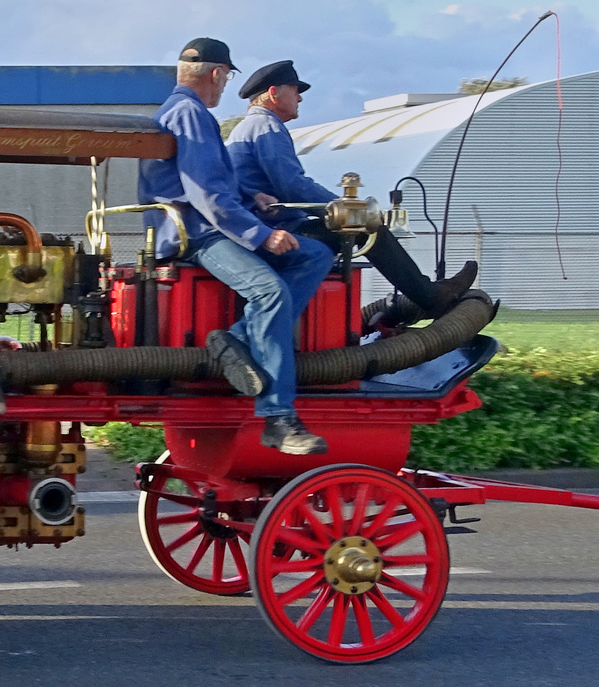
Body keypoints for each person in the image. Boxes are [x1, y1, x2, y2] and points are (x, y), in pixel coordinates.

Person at [138, 38, 337, 455]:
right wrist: (262, 234)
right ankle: (278, 418)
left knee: (315, 253)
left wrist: (251, 197)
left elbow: (212, 182)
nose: (225, 85)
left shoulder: (185, 112)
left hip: (206, 226)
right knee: (270, 292)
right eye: (227, 76)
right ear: (215, 73)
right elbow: (207, 195)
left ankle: (236, 338)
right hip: (196, 236)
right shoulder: (191, 114)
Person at [226, 60, 478, 321]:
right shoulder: (267, 127)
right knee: (367, 230)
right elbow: (292, 185)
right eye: (294, 89)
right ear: (273, 93)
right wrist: (348, 209)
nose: (300, 98)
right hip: (277, 233)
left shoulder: (246, 128)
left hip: (262, 229)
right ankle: (431, 298)